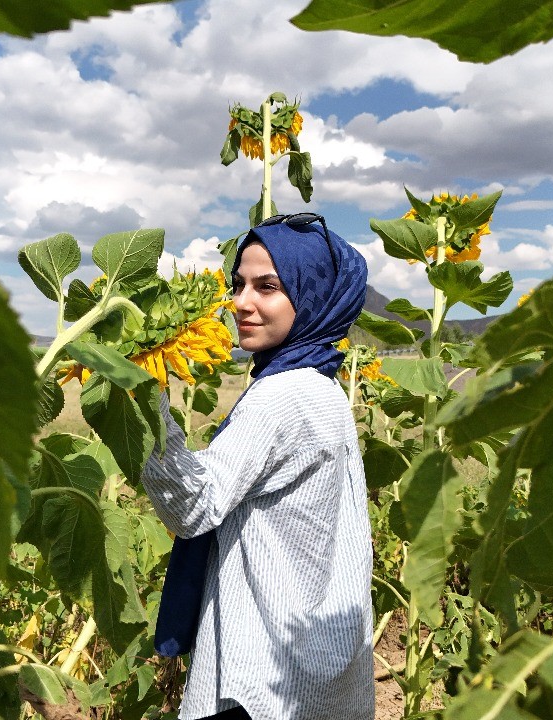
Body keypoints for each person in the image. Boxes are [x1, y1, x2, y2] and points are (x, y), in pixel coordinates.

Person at [140, 214, 374, 720]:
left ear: (310, 298)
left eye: (268, 287)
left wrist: (142, 396)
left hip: (261, 666)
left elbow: (195, 506)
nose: (241, 303)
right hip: (312, 653)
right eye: (239, 284)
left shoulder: (283, 396)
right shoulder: (320, 383)